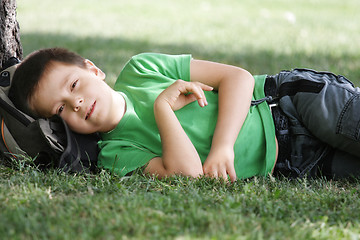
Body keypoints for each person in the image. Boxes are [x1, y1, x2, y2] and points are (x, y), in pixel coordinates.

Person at [8, 48, 360, 181]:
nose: (77, 104)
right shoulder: (114, 155)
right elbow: (188, 173)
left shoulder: (141, 69)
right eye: (61, 109)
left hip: (288, 103)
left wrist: (223, 146)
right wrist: (162, 109)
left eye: (74, 86)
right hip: (295, 163)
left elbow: (235, 77)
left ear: (93, 69)